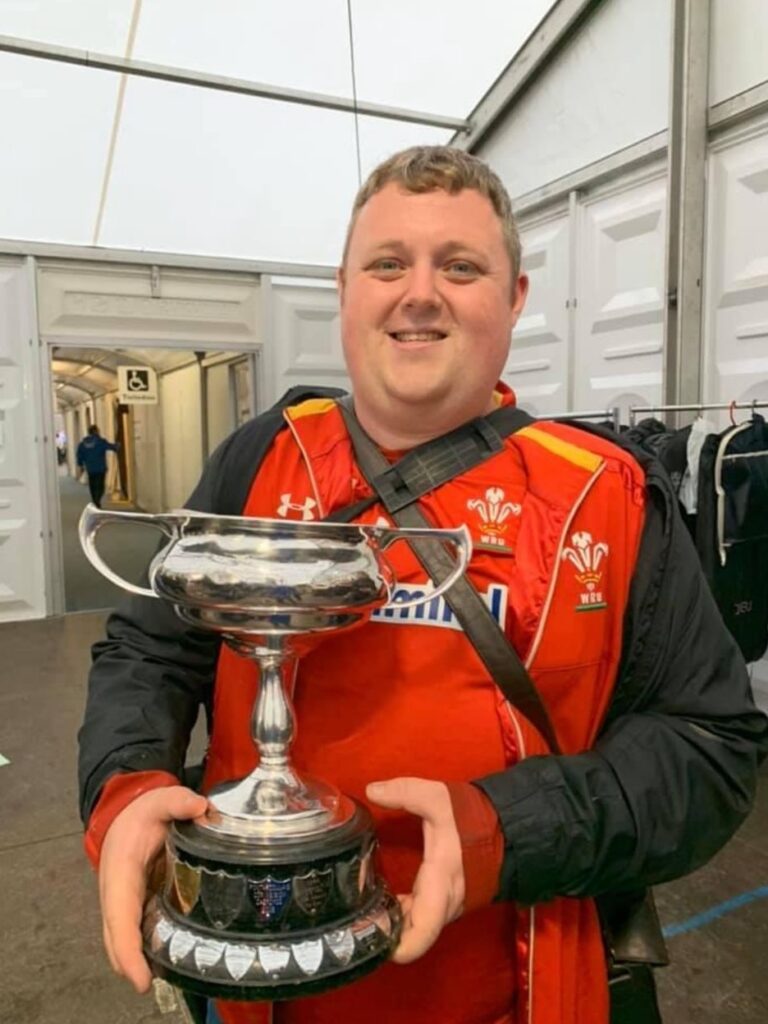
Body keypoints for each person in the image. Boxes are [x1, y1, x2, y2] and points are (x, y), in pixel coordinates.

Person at [78, 147, 768, 1024]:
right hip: (251, 988)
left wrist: (502, 831)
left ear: (515, 298)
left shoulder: (608, 496)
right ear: (344, 288)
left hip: (519, 988)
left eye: (462, 266)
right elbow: (149, 647)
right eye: (388, 263)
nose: (419, 293)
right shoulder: (259, 458)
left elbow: (709, 748)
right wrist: (125, 786)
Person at [76, 423, 119, 509]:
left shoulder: (83, 444)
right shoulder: (100, 441)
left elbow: (79, 455)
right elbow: (110, 446)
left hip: (90, 468)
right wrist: (117, 446)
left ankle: (95, 500)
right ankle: (97, 500)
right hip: (100, 468)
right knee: (100, 487)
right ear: (95, 431)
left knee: (92, 485)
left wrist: (80, 465)